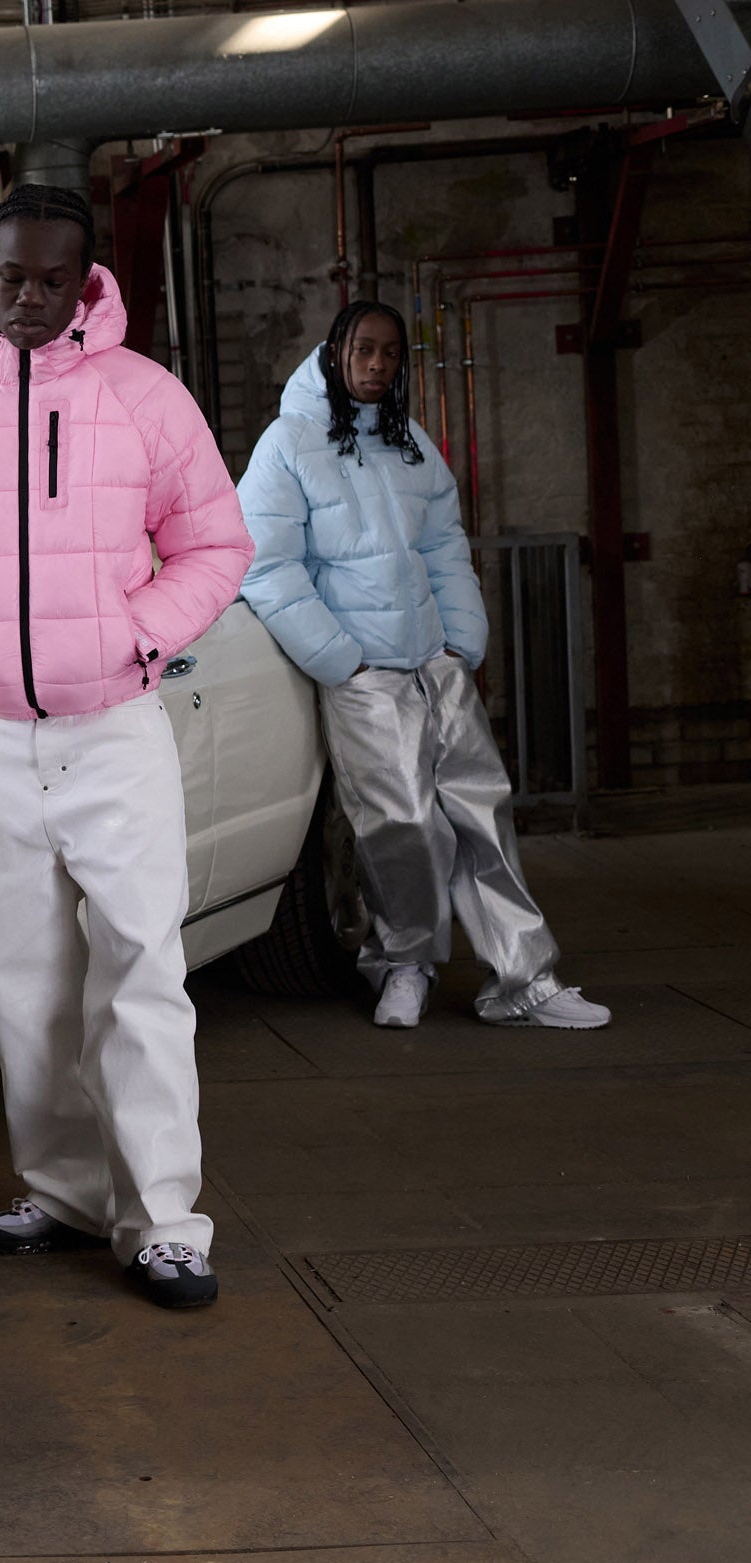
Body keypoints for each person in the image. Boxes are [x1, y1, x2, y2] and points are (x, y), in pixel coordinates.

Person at [0, 185, 253, 1311]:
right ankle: (68, 1193)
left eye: (51, 279)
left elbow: (216, 543)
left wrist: (139, 632)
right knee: (23, 983)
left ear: (88, 282)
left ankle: (165, 1222)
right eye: (9, 277)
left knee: (140, 974)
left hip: (112, 735)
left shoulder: (144, 399)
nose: (28, 298)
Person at [238, 301, 610, 1031]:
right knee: (400, 824)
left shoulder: (409, 442)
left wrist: (462, 643)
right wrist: (340, 660)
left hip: (434, 664)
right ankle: (405, 964)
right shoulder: (287, 443)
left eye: (391, 356)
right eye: (365, 351)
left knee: (482, 818)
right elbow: (268, 566)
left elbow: (444, 547)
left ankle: (525, 980)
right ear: (336, 351)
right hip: (362, 675)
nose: (378, 367)